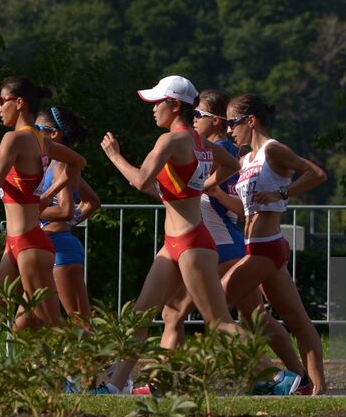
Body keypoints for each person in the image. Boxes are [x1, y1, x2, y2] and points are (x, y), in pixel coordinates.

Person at [158, 89, 309, 395]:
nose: (194, 119)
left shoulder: (222, 152)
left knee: (177, 312)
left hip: (221, 245)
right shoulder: (202, 148)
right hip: (221, 244)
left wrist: (210, 190)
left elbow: (240, 206)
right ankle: (297, 378)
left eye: (199, 115)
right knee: (257, 319)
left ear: (214, 121)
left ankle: (170, 383)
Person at [97, 75, 241, 394]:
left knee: (219, 323)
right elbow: (231, 164)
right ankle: (115, 385)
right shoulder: (200, 141)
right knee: (140, 316)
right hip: (175, 244)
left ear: (174, 105)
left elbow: (139, 180)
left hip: (192, 243)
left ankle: (275, 378)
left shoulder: (171, 141)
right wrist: (199, 186)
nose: (152, 110)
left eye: (156, 103)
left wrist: (114, 156)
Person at [219, 93, 329, 394]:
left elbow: (317, 174)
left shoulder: (272, 150)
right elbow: (244, 209)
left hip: (267, 247)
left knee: (215, 305)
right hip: (257, 247)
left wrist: (283, 193)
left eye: (232, 123)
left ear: (250, 120)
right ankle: (312, 386)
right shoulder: (245, 160)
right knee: (294, 319)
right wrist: (213, 192)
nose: (230, 130)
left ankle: (278, 378)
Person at [0, 77, 86, 329]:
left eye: (2, 101)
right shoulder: (41, 140)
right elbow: (78, 163)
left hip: (30, 242)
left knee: (52, 324)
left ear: (19, 102)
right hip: (18, 243)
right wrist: (46, 194)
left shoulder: (14, 139)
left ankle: (99, 363)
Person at [35, 105, 100, 323]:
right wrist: (69, 221)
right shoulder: (56, 165)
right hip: (57, 244)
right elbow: (92, 202)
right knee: (33, 317)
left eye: (37, 128)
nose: (31, 133)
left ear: (53, 134)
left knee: (80, 321)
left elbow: (65, 208)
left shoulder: (61, 165)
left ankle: (99, 358)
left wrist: (33, 212)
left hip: (60, 248)